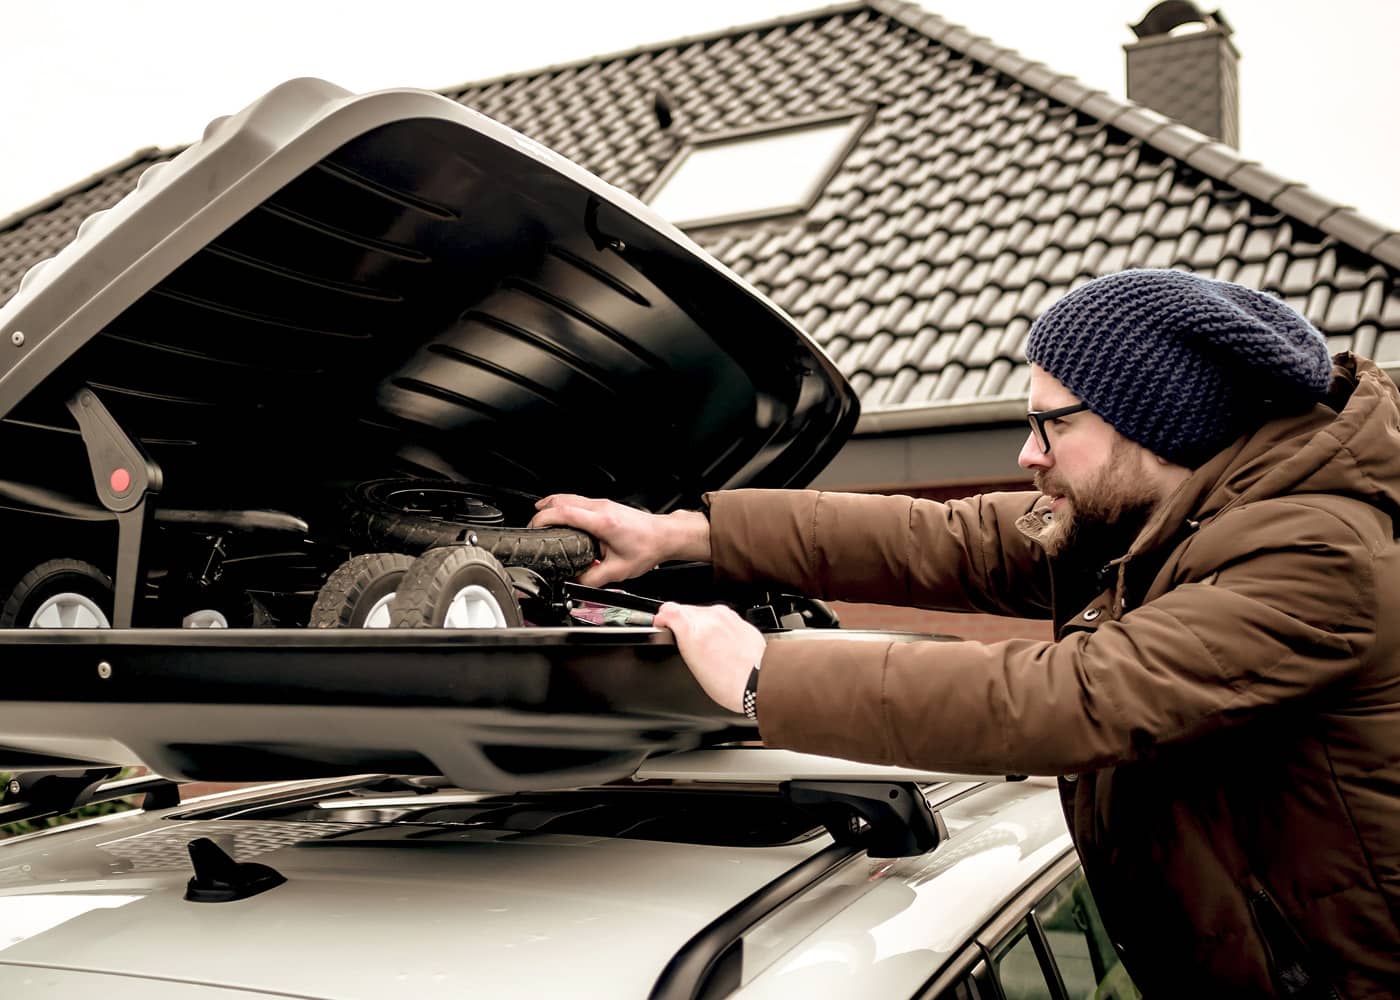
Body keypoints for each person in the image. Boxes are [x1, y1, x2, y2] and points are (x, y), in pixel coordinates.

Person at [530, 269, 1400, 998]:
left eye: (1051, 423)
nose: (1028, 454)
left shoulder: (1316, 551)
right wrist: (689, 536)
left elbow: (1074, 698)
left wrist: (767, 678)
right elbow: (947, 539)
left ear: (1160, 423)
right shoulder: (1174, 514)